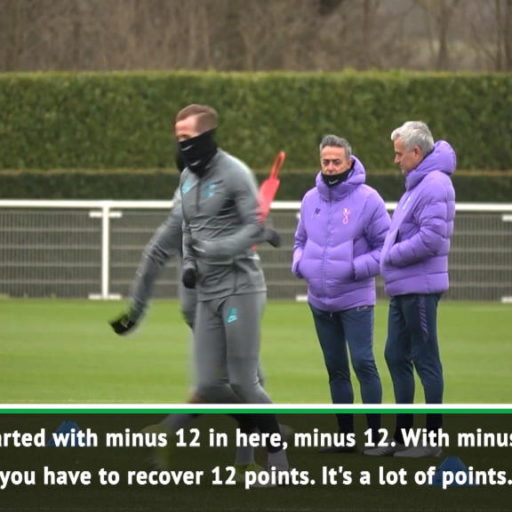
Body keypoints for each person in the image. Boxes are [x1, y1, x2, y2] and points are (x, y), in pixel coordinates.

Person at [176, 103, 288, 472]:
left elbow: (254, 228)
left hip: (241, 287)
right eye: (178, 137)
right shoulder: (186, 178)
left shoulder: (235, 173)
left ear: (207, 135)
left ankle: (279, 463)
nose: (182, 144)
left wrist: (215, 250)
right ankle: (260, 428)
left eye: (188, 137)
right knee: (209, 385)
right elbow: (188, 228)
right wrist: (190, 264)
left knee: (244, 382)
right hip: (206, 291)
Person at [292, 134, 390, 451]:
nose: (331, 167)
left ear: (349, 162)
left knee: (363, 363)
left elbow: (385, 248)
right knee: (335, 370)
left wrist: (354, 268)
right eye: (326, 162)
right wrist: (299, 264)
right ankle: (345, 438)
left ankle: (375, 438)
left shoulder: (369, 199)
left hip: (356, 300)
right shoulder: (310, 199)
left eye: (336, 161)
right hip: (320, 302)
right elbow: (300, 240)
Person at [366, 121, 456, 458]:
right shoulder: (418, 184)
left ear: (416, 152)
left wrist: (390, 255)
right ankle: (403, 436)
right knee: (395, 354)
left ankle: (432, 441)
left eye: (399, 154)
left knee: (425, 358)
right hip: (404, 286)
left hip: (419, 287)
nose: (396, 160)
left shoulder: (434, 184)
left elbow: (431, 239)